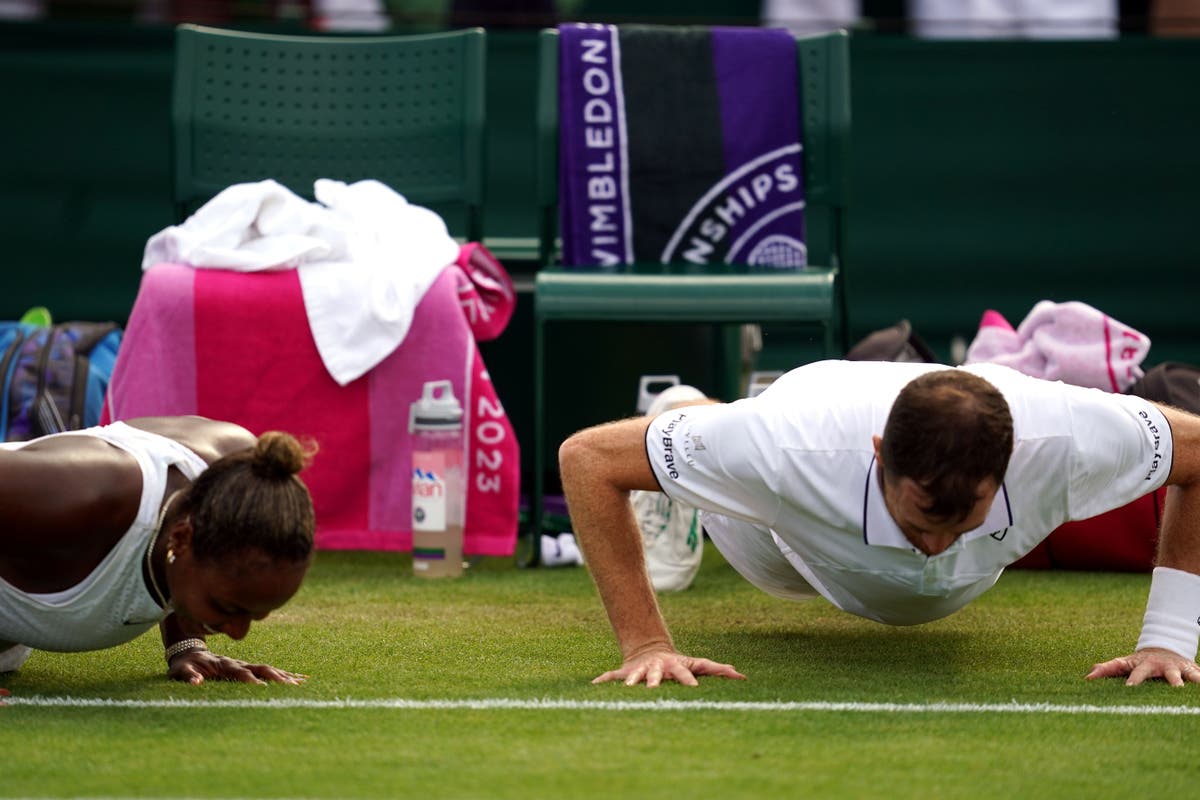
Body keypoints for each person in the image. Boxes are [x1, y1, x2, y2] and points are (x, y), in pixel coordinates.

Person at [559, 359, 1200, 687]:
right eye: (924, 516)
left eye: (964, 518)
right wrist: (647, 646)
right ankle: (683, 417)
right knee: (706, 454)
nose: (937, 545)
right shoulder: (787, 449)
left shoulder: (1067, 440)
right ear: (879, 455)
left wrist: (1168, 638)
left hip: (957, 570)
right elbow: (586, 458)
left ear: (1010, 465)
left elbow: (1194, 451)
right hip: (779, 545)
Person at [0, 416, 316, 686]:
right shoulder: (81, 495)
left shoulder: (238, 479)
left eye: (255, 615)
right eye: (227, 607)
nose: (238, 633)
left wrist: (188, 646)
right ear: (180, 539)